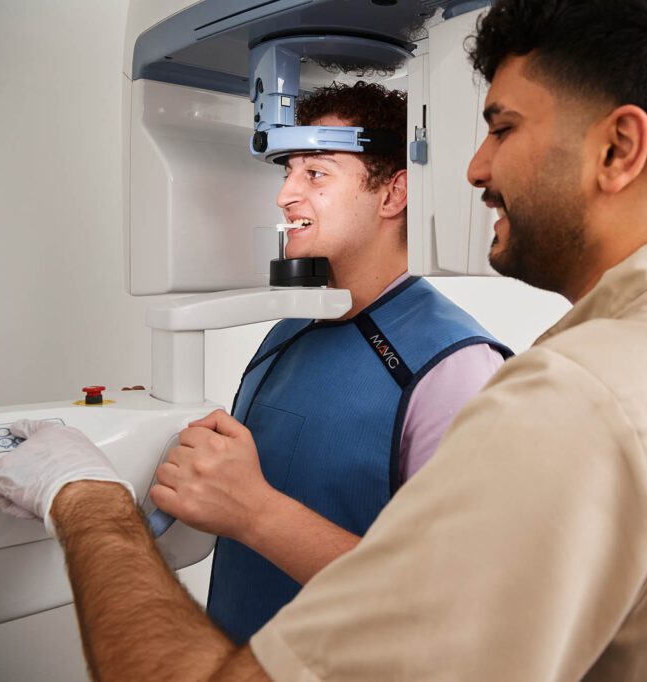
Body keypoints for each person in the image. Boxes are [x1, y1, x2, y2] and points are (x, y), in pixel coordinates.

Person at [0, 1, 647, 680]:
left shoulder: (547, 392)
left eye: (503, 128)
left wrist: (87, 498)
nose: (475, 167)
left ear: (619, 148)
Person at [182, 81, 513, 643]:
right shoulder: (288, 331)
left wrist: (255, 511)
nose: (285, 195)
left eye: (315, 174)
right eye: (288, 172)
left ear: (393, 194)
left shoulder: (454, 368)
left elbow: (455, 604)